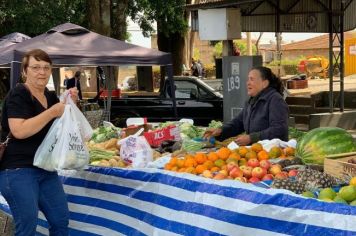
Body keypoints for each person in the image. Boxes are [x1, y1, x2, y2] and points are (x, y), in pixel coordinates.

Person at [0, 49, 78, 235]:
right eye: (35, 67)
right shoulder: (19, 94)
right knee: (28, 224)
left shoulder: (51, 97)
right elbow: (19, 131)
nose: (41, 72)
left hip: (45, 167)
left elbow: (65, 126)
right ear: (25, 71)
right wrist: (52, 112)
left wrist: (71, 104)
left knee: (60, 220)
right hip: (17, 170)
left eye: (46, 67)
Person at [204, 66, 289, 145]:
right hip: (256, 152)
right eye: (248, 79)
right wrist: (221, 131)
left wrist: (251, 138)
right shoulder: (251, 101)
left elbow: (279, 129)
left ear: (264, 83)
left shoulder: (275, 100)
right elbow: (238, 122)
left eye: (252, 79)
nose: (248, 83)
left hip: (273, 152)